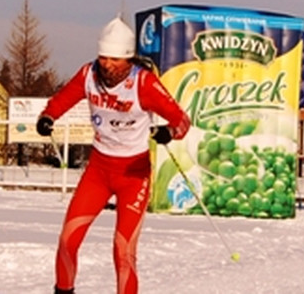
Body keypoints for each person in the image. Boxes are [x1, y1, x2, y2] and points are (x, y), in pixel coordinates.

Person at [36, 17, 191, 294]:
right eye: (104, 57)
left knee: (123, 252)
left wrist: (169, 132)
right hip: (99, 171)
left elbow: (181, 120)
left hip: (133, 174)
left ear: (128, 59)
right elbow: (63, 99)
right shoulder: (89, 75)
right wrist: (48, 116)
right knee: (68, 240)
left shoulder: (142, 83)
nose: (107, 65)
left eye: (115, 60)